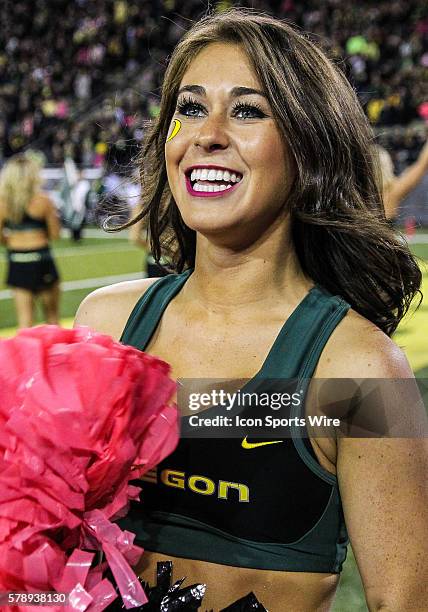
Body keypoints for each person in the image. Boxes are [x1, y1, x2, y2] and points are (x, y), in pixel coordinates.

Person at [75, 9, 427, 611]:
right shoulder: (102, 327)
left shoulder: (363, 371)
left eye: (247, 110)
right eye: (188, 107)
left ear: (307, 145)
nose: (205, 134)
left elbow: (406, 601)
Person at [0, 154, 61, 328]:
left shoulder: (2, 203)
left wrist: (12, 239)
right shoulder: (43, 201)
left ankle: (28, 356)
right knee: (52, 320)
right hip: (41, 258)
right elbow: (55, 234)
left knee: (25, 322)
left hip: (17, 260)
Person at [376, 138, 428, 223]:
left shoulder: (361, 195)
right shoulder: (391, 193)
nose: (392, 166)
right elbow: (422, 164)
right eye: (389, 163)